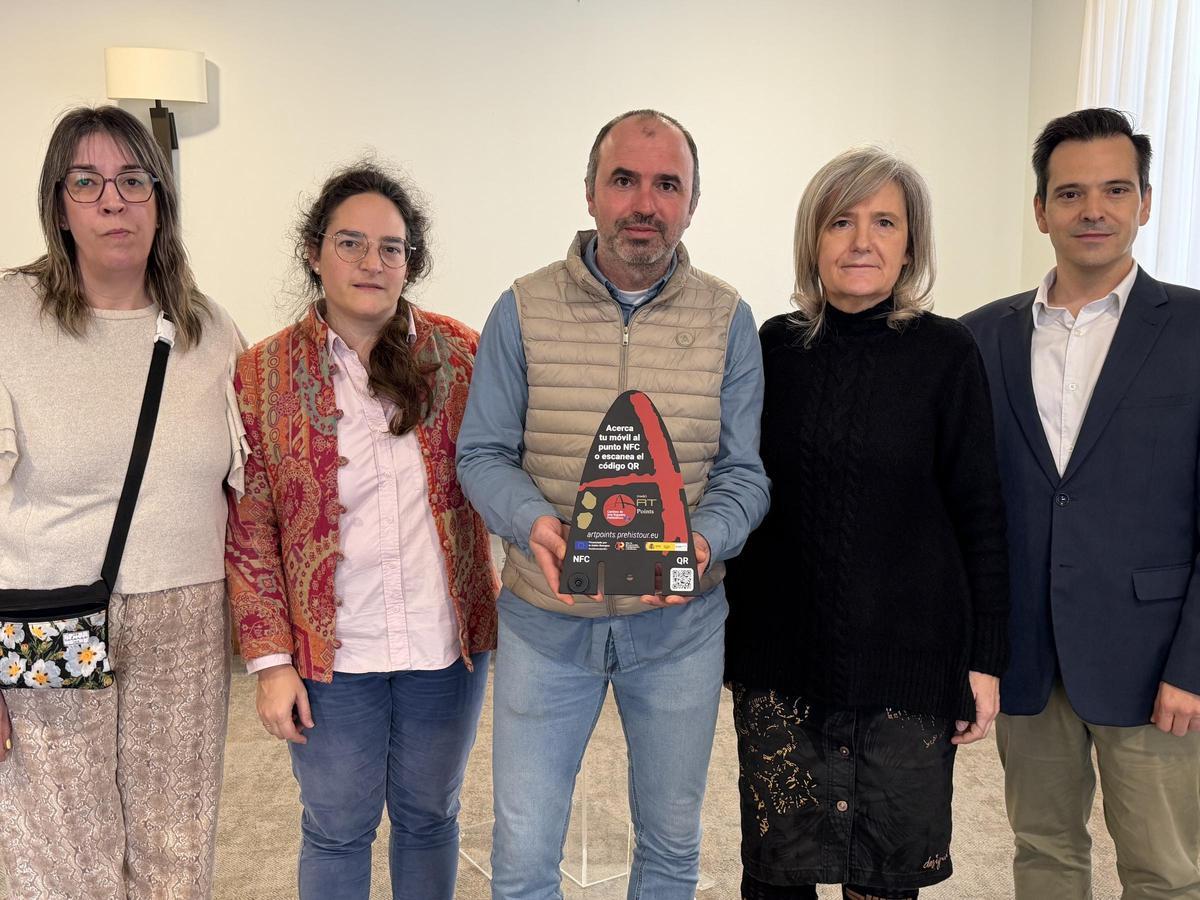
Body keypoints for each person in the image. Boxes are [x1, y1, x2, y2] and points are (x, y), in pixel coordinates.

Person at [456, 108, 770, 900]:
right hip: (544, 622)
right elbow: (482, 455)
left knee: (670, 847)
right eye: (624, 179)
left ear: (692, 202)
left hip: (680, 629)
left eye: (668, 185)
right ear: (590, 192)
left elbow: (745, 474)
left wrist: (702, 541)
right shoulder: (519, 309)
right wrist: (535, 524)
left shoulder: (730, 320)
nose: (645, 203)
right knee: (524, 855)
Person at [723, 146, 1010, 900]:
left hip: (907, 670)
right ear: (812, 240)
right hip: (783, 665)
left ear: (910, 242)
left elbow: (980, 512)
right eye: (841, 221)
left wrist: (984, 660)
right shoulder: (772, 349)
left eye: (885, 221)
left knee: (883, 882)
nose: (862, 241)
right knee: (778, 874)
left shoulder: (948, 354)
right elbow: (739, 490)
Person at [225, 162, 498, 900]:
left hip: (443, 649)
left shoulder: (464, 356)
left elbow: (505, 467)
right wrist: (269, 660)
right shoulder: (262, 374)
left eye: (392, 248)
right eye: (351, 243)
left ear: (413, 261)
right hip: (329, 657)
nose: (372, 263)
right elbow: (250, 528)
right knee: (338, 827)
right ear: (314, 252)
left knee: (430, 816)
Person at [0, 106, 242, 898]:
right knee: (65, 858)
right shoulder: (9, 316)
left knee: (176, 855)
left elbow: (252, 491)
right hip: (49, 613)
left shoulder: (209, 330)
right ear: (59, 204)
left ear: (160, 200)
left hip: (187, 618)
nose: (113, 201)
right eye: (88, 182)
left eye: (134, 181)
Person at [962, 107, 1200, 899]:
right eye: (1069, 194)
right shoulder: (978, 339)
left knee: (1165, 870)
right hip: (1027, 655)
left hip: (1154, 661)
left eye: (1114, 190)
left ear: (1145, 201)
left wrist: (1195, 666)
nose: (1092, 209)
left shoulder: (1197, 330)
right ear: (1040, 210)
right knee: (1044, 851)